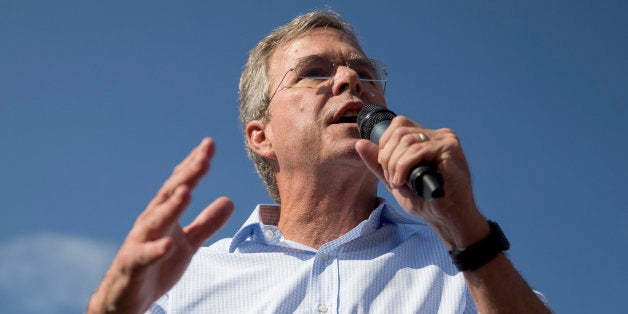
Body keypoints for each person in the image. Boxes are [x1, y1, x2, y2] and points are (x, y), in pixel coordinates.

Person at [87, 10, 550, 313]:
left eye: (365, 72)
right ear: (261, 135)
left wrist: (465, 228)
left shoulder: (462, 267)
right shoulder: (188, 283)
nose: (351, 78)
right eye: (314, 72)